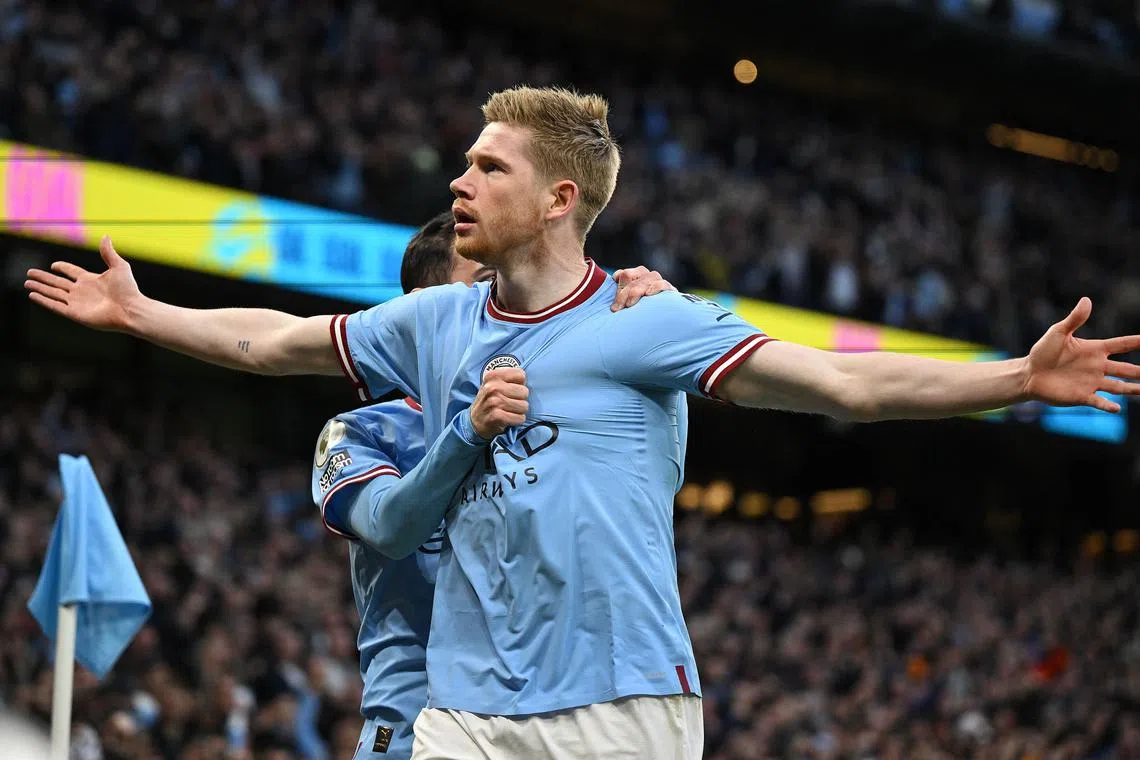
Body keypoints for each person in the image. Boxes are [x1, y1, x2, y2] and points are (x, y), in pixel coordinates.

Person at [24, 86, 1140, 759]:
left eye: (488, 164)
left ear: (560, 198)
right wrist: (140, 312)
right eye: (465, 158)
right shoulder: (435, 320)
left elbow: (846, 386)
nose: (460, 175)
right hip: (459, 707)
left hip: (623, 703)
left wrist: (1013, 379)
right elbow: (273, 342)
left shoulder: (644, 324)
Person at [310, 210, 676, 760]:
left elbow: (649, 486)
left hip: (535, 718)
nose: (507, 300)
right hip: (413, 728)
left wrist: (653, 329)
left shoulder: (543, 420)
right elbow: (390, 528)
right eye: (485, 284)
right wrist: (468, 432)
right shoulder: (364, 431)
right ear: (418, 314)